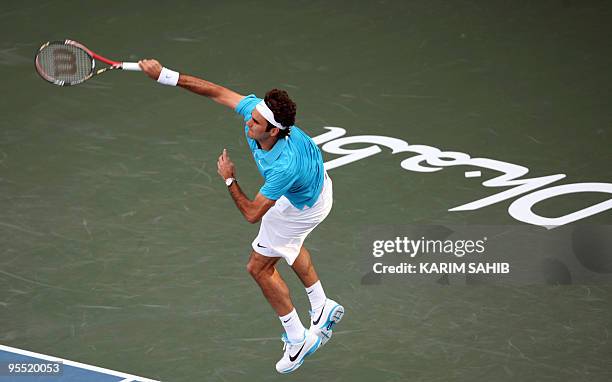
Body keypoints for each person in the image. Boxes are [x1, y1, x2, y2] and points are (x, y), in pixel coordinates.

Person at [138, 59, 344, 374]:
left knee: (259, 267)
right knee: (287, 243)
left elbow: (251, 213)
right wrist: (165, 76)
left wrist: (229, 179)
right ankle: (321, 305)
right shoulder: (260, 117)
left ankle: (298, 337)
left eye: (257, 122)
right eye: (253, 115)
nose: (249, 122)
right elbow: (216, 92)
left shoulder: (283, 166)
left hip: (303, 206)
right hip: (315, 191)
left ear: (274, 131)